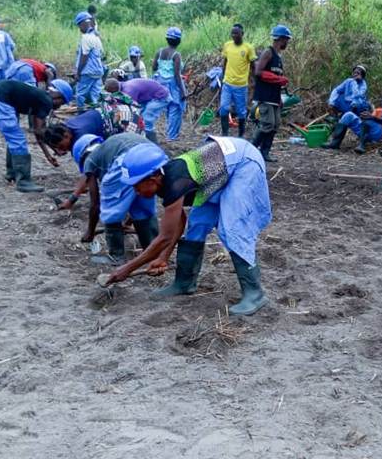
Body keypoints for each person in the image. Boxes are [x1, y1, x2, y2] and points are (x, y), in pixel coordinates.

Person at [106, 136, 273, 316]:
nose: (136, 192)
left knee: (232, 229)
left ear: (153, 178)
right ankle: (184, 283)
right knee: (197, 225)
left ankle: (254, 293)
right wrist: (163, 257)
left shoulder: (175, 182)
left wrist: (126, 269)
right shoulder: (166, 182)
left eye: (137, 186)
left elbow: (164, 238)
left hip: (242, 163)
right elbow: (179, 223)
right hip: (216, 175)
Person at [52, 133, 161, 265]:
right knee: (143, 207)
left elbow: (95, 203)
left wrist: (90, 232)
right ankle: (154, 253)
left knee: (110, 208)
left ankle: (116, 256)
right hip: (151, 154)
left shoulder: (90, 160)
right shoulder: (108, 147)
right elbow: (133, 196)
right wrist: (127, 224)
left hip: (127, 159)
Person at [0, 78, 73, 192]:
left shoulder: (40, 96)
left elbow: (37, 131)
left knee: (13, 137)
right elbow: (39, 131)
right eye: (62, 103)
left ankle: (12, 173)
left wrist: (49, 155)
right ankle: (23, 181)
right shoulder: (46, 101)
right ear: (58, 95)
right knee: (17, 138)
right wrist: (54, 147)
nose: (59, 107)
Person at [252, 25, 292, 162]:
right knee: (267, 124)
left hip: (274, 97)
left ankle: (265, 152)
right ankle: (251, 149)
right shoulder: (267, 53)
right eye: (286, 40)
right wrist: (278, 79)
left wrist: (280, 98)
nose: (287, 43)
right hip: (265, 95)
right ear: (280, 39)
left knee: (275, 125)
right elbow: (258, 72)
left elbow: (277, 78)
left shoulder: (278, 57)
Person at [323, 65, 378, 153]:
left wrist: (355, 82)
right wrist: (331, 102)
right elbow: (336, 90)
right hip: (348, 105)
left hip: (358, 108)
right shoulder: (348, 81)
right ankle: (335, 139)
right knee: (337, 97)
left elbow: (357, 95)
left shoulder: (363, 85)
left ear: (362, 75)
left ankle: (361, 144)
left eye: (358, 73)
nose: (355, 74)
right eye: (354, 72)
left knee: (354, 108)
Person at [104, 77, 170, 143]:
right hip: (148, 97)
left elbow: (132, 110)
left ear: (114, 90)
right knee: (141, 118)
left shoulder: (128, 91)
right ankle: (144, 139)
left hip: (160, 96)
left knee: (146, 120)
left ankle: (153, 143)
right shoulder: (122, 85)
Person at [219, 24, 257, 137]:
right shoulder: (227, 45)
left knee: (241, 112)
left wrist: (255, 81)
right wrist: (223, 74)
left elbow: (253, 65)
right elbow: (225, 61)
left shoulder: (248, 48)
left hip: (241, 86)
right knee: (223, 109)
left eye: (236, 33)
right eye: (233, 33)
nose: (234, 35)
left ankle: (241, 135)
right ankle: (224, 134)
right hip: (227, 84)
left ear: (242, 34)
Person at [151, 27, 187, 142]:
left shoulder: (159, 52)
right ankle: (171, 137)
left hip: (160, 84)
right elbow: (177, 75)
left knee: (167, 109)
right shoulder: (176, 55)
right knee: (175, 110)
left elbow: (154, 67)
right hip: (173, 85)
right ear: (179, 41)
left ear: (167, 39)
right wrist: (182, 91)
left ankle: (170, 135)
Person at [74, 11, 105, 106]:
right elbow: (102, 55)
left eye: (79, 25)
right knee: (94, 96)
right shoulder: (96, 37)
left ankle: (81, 115)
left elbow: (84, 57)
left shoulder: (86, 37)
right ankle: (94, 115)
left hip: (87, 72)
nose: (79, 29)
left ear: (83, 23)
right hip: (98, 72)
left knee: (81, 95)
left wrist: (78, 73)